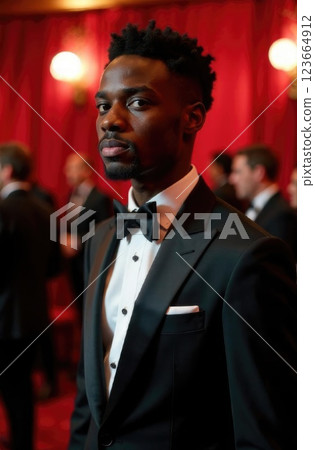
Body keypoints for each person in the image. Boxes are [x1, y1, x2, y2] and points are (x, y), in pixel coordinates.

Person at [69, 22, 296, 449]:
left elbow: (264, 431)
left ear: (192, 117)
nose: (111, 121)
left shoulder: (248, 255)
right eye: (103, 106)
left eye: (137, 102)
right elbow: (89, 395)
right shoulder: (99, 239)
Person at [0, 142, 60, 450]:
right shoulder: (46, 209)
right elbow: (54, 267)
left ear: (7, 171)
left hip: (3, 317)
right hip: (35, 315)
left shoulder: (3, 210)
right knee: (21, 388)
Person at [62, 153, 113, 313]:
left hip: (91, 264)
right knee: (79, 309)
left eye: (72, 168)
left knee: (93, 309)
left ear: (87, 171)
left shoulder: (101, 198)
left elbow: (105, 232)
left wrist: (78, 242)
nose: (66, 172)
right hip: (73, 265)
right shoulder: (71, 195)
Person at [230, 144, 297, 259]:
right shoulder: (252, 206)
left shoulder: (282, 214)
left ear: (259, 173)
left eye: (238, 172)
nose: (232, 179)